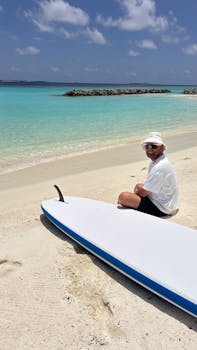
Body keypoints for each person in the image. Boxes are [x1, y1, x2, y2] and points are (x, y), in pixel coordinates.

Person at [118, 132, 179, 217]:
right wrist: (138, 191)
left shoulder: (159, 166)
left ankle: (132, 206)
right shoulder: (157, 161)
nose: (149, 148)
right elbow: (145, 190)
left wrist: (137, 193)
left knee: (123, 197)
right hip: (167, 202)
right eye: (147, 146)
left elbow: (143, 193)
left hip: (162, 209)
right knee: (138, 186)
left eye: (154, 146)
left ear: (162, 148)